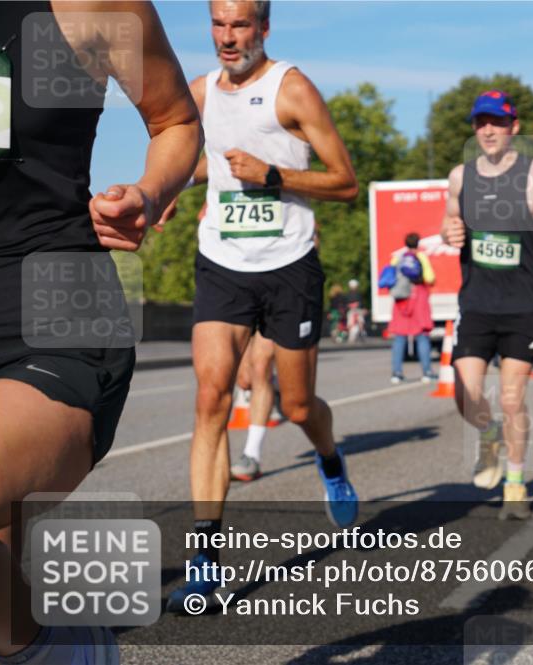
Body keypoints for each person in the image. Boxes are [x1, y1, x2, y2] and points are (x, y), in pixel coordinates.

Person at [0, 2, 202, 661]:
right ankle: (50, 646)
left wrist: (147, 192)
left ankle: (63, 647)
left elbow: (175, 122)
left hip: (51, 316)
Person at [166, 0, 360, 613]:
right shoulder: (198, 93)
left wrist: (274, 176)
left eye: (240, 25)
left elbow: (346, 182)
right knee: (211, 396)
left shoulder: (293, 88)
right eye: (218, 25)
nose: (227, 37)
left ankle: (329, 460)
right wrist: (167, 188)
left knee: (297, 403)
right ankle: (204, 560)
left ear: (264, 28)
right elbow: (206, 161)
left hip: (289, 266)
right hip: (222, 263)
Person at [440, 89, 533, 519]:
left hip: (522, 304)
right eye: (481, 122)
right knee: (464, 394)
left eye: (497, 122)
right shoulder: (459, 177)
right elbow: (450, 222)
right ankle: (490, 434)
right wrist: (450, 234)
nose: (488, 130)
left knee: (510, 397)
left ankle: (516, 485)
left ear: (514, 127)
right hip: (476, 301)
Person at [228, 331, 279, 481]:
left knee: (261, 367)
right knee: (245, 380)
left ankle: (252, 455)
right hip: (248, 312)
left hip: (274, 310)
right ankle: (276, 391)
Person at [388, 232, 437, 384]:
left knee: (400, 336)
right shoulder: (421, 257)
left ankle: (396, 373)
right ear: (418, 243)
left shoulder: (398, 258)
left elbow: (390, 277)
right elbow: (430, 278)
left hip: (401, 301)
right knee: (422, 336)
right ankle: (427, 372)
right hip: (418, 298)